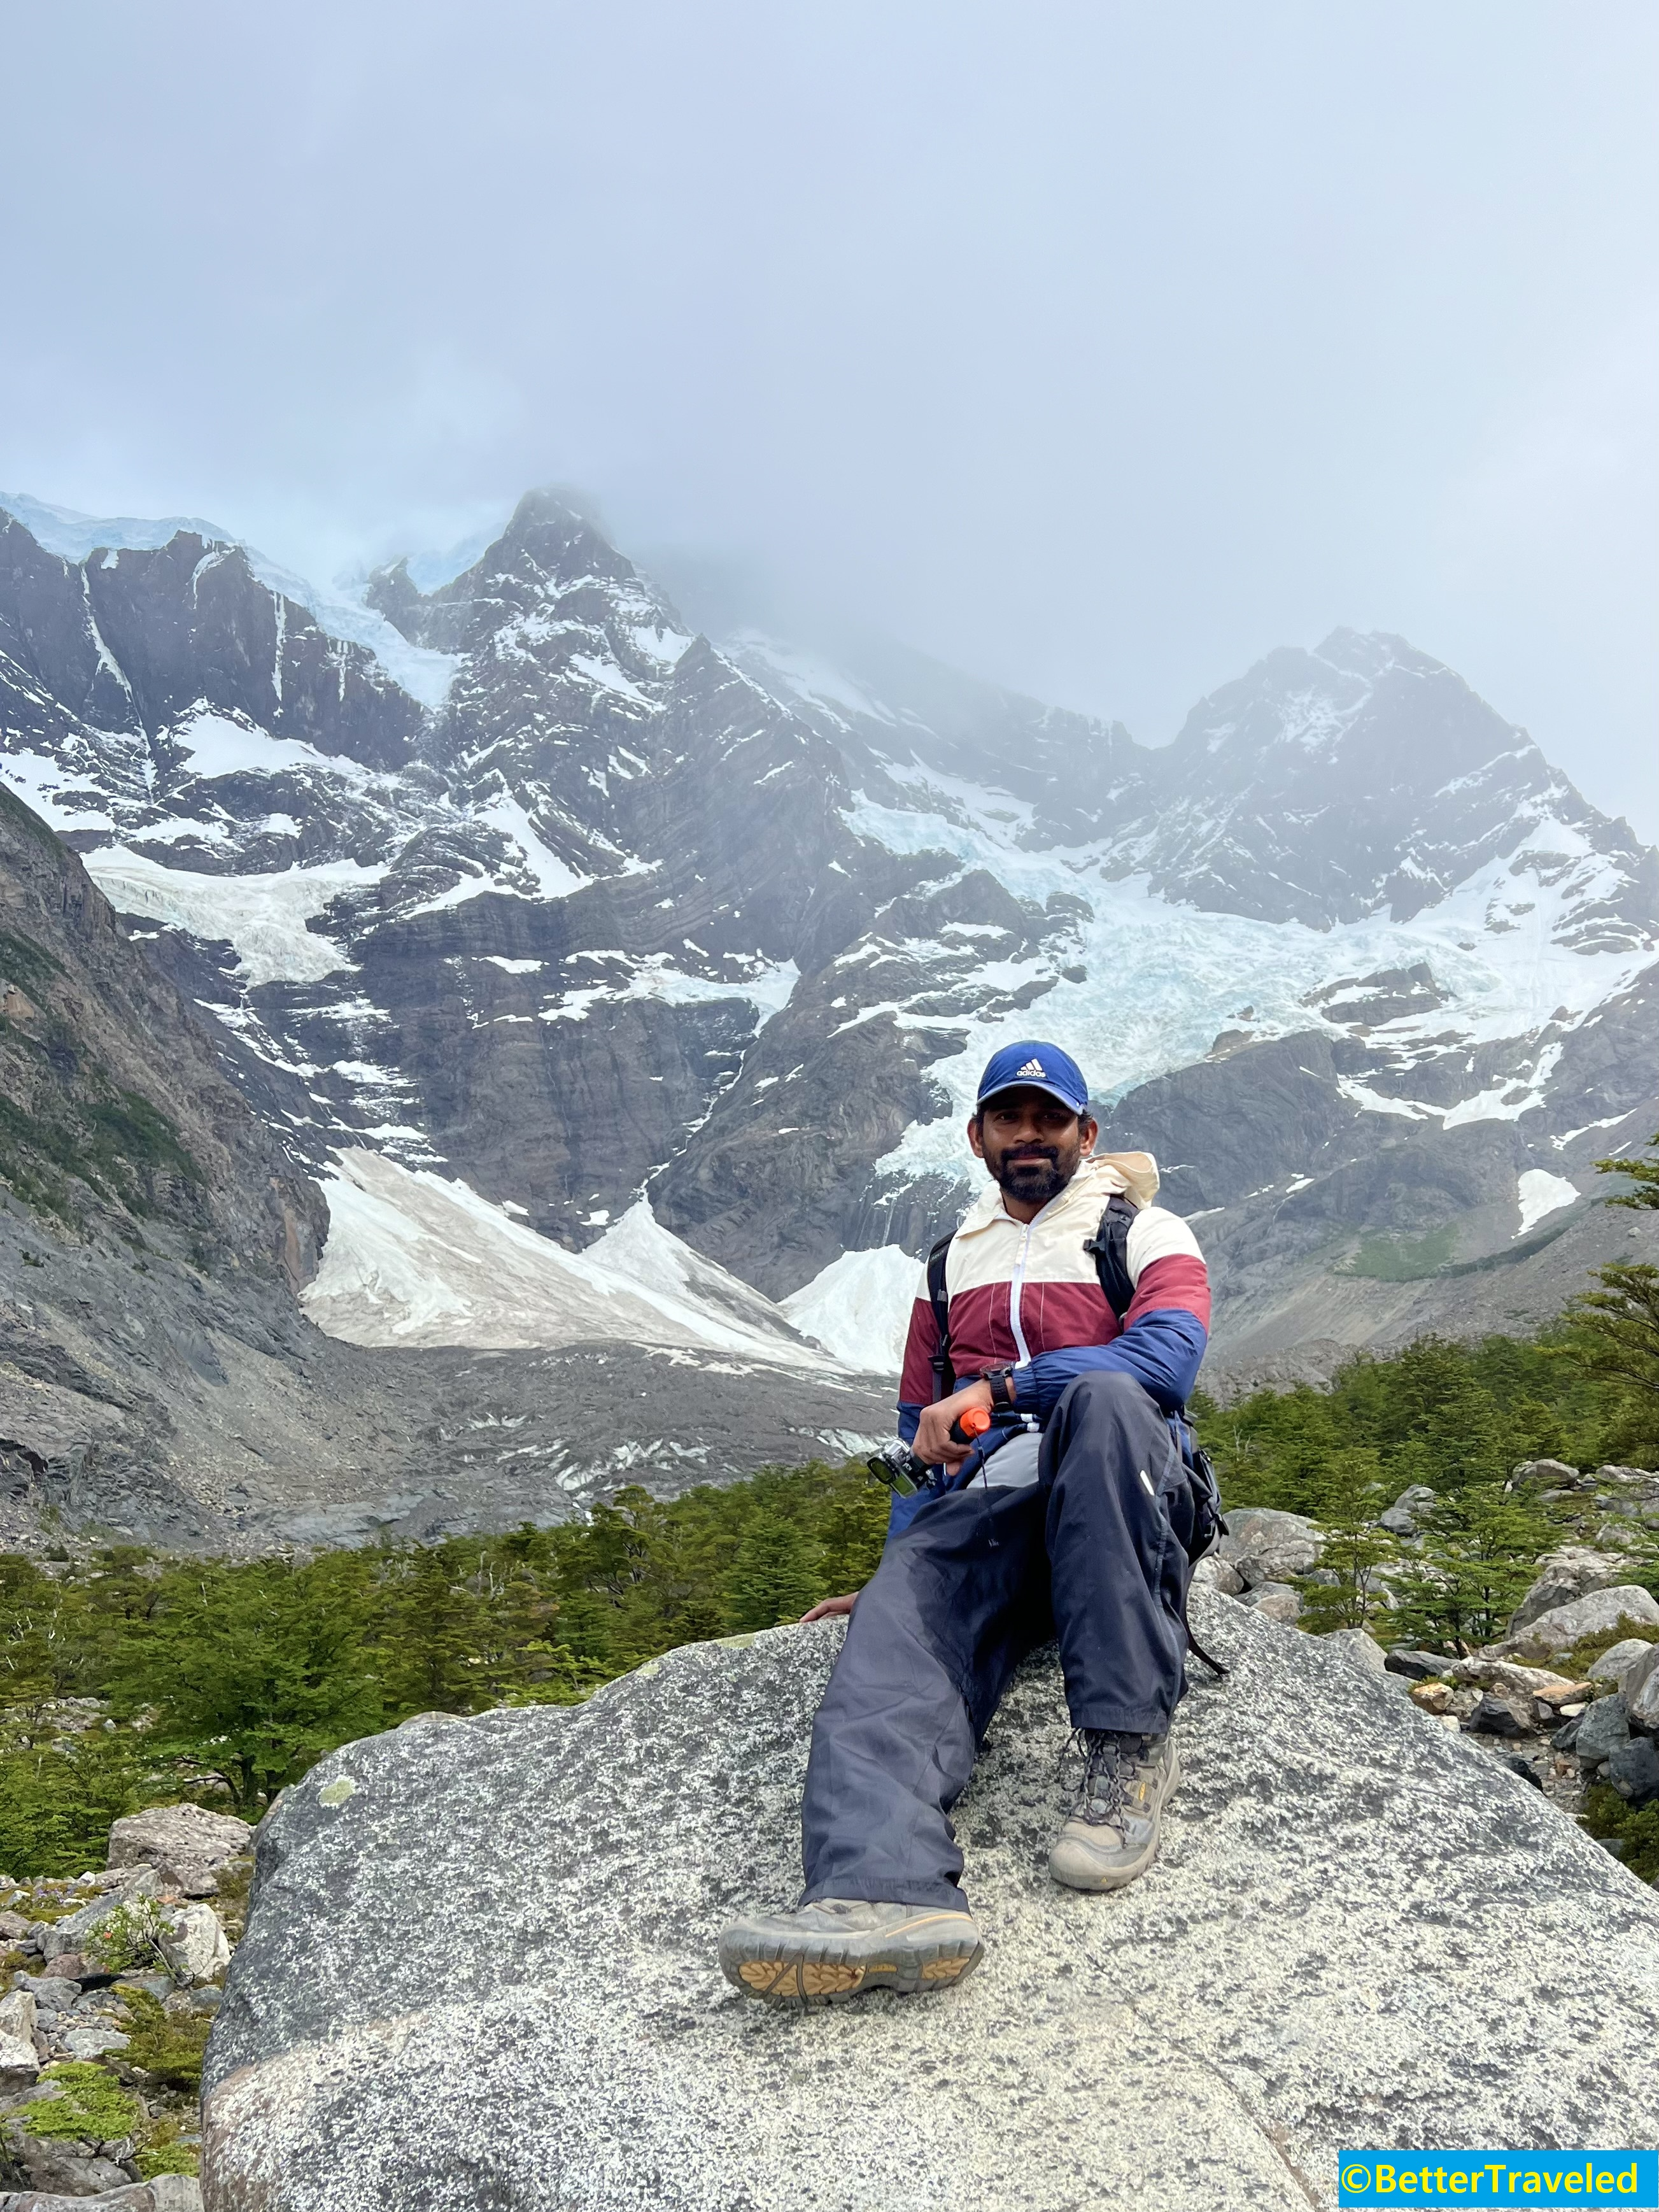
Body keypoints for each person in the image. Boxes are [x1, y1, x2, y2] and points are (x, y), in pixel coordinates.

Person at [717, 1040, 1214, 2006]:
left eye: (1050, 1118)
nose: (1029, 1135)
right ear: (978, 1136)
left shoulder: (1144, 1231)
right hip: (993, 1508)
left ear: (1086, 1133)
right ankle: (880, 1891)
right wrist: (897, 1572)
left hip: (1123, 1490)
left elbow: (1165, 1362)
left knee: (1106, 1398)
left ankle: (1127, 1746)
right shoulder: (950, 1265)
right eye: (1009, 1118)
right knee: (895, 1624)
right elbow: (919, 1434)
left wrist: (1004, 1384)